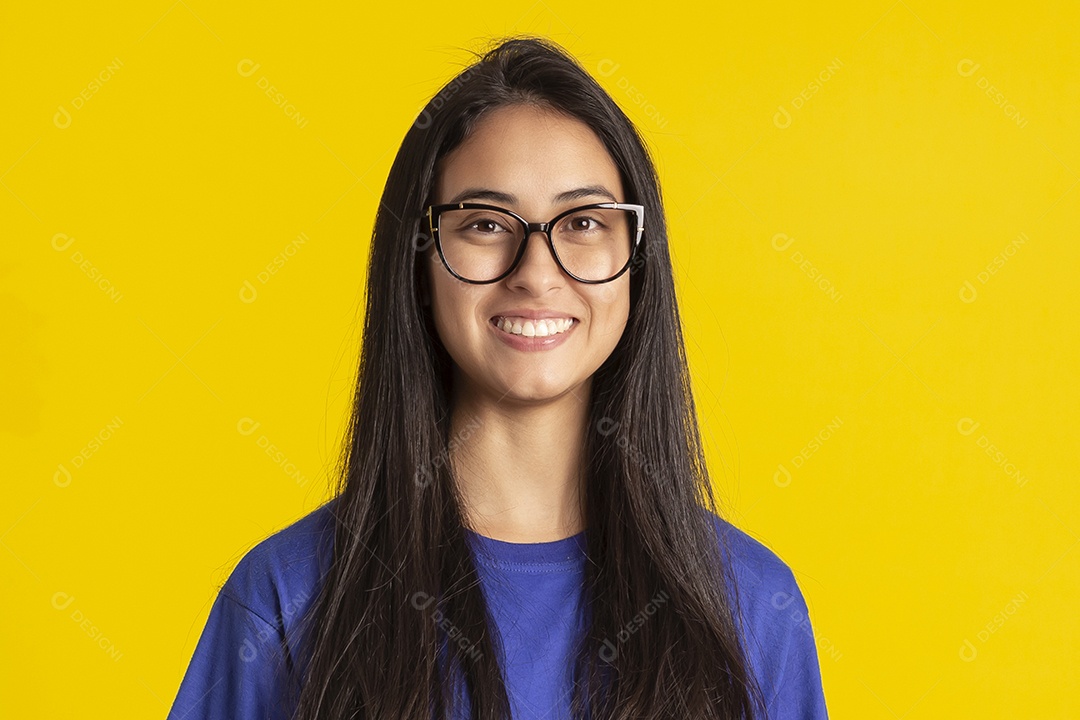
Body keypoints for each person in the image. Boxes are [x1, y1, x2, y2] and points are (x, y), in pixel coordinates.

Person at [167, 35, 829, 720]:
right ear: (419, 263)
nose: (536, 272)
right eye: (485, 223)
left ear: (637, 263)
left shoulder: (751, 607)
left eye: (582, 222)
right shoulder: (286, 598)